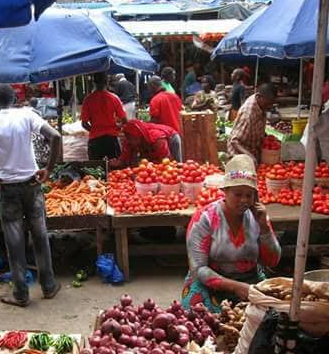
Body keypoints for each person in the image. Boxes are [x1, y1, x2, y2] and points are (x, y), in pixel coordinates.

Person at [0, 85, 61, 307]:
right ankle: (48, 286)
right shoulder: (27, 115)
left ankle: (21, 294)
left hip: (7, 189)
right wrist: (49, 168)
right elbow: (55, 136)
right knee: (40, 235)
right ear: (16, 99)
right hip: (32, 185)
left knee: (14, 242)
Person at [182, 154, 281, 313]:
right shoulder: (205, 218)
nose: (244, 200)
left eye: (249, 195)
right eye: (238, 194)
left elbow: (273, 261)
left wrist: (265, 229)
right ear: (225, 191)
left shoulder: (258, 217)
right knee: (201, 316)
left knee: (273, 317)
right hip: (211, 282)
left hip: (250, 281)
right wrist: (235, 287)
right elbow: (198, 268)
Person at [81, 72, 127, 160]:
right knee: (115, 168)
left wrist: (95, 129)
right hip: (112, 138)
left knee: (95, 168)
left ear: (94, 83)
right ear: (107, 82)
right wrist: (117, 127)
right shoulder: (114, 98)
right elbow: (124, 120)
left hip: (95, 138)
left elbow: (84, 124)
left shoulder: (88, 100)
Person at [228, 83, 277, 164]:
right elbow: (234, 141)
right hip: (239, 156)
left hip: (253, 151)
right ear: (258, 96)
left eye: (271, 104)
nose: (269, 107)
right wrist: (249, 156)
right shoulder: (248, 114)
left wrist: (268, 138)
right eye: (267, 104)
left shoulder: (260, 103)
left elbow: (256, 127)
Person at [110, 119, 182, 168]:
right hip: (153, 142)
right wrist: (118, 162)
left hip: (172, 137)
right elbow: (124, 160)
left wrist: (152, 165)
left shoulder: (157, 140)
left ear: (140, 137)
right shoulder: (128, 140)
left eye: (133, 139)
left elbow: (166, 160)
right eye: (128, 138)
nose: (130, 141)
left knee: (174, 166)